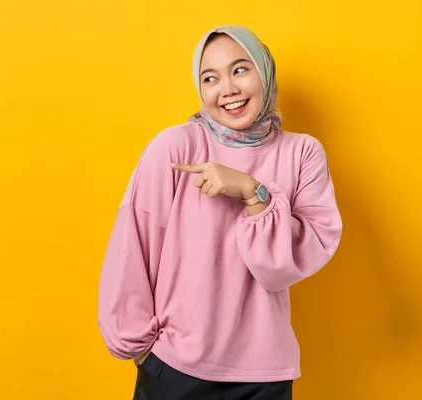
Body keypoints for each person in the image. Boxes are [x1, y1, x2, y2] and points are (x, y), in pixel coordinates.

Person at [97, 24, 342, 400]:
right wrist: (140, 348)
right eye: (210, 77)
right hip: (175, 367)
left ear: (265, 72)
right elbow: (133, 245)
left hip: (265, 374)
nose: (226, 89)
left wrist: (252, 191)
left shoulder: (302, 153)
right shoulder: (176, 147)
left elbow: (278, 268)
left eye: (240, 70)